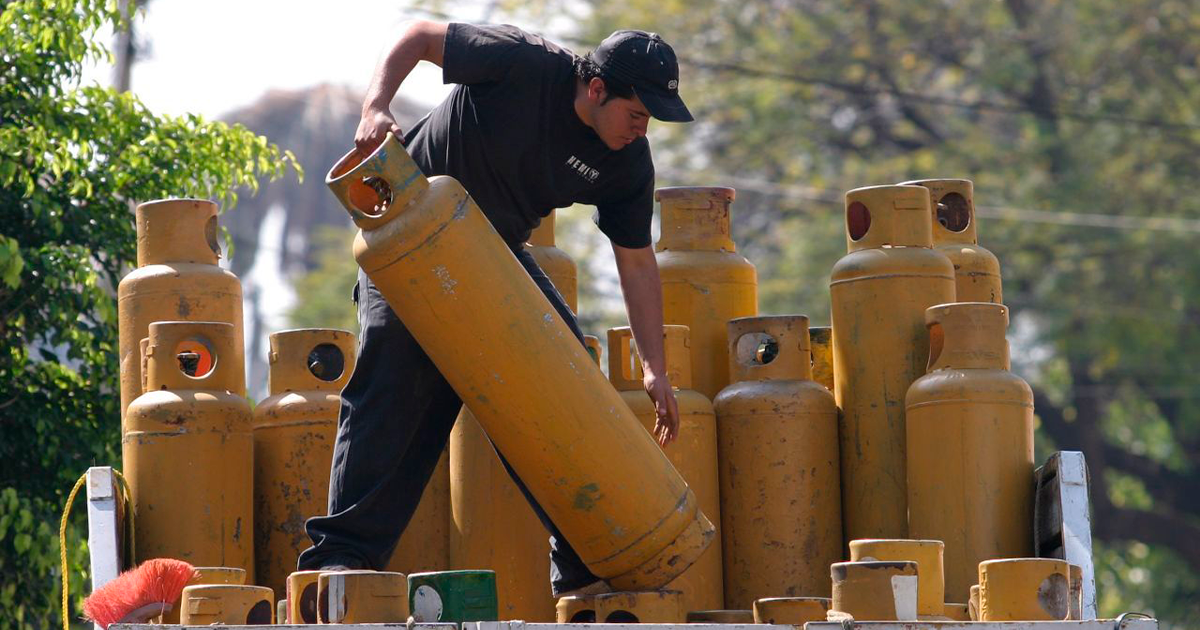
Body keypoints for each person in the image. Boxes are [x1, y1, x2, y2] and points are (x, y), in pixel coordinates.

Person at [299, 19, 693, 597]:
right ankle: (341, 559)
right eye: (638, 112)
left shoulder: (628, 162)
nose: (643, 128)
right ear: (597, 88)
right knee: (394, 385)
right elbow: (419, 36)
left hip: (496, 254)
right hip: (408, 236)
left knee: (564, 381)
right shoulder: (523, 63)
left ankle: (583, 567)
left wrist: (655, 367)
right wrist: (375, 108)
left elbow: (636, 263)